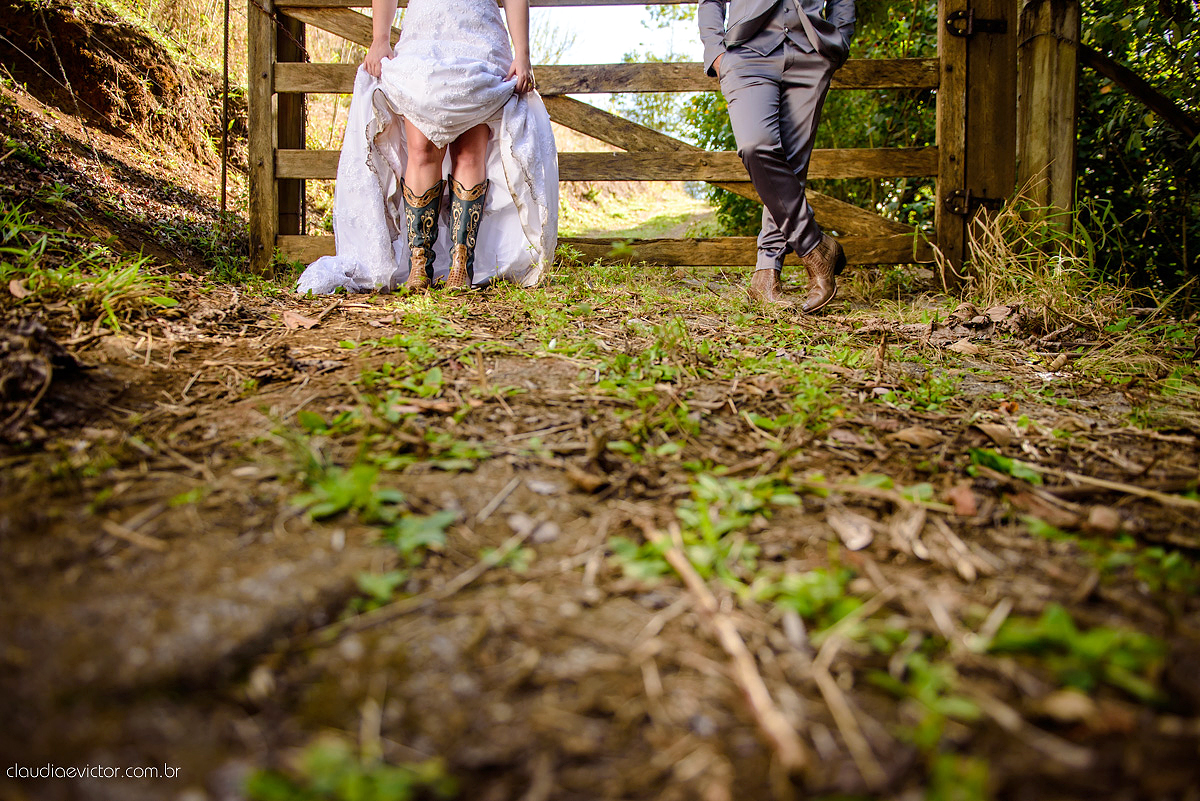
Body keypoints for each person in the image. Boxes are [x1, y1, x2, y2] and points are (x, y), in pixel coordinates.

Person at [297, 0, 558, 295]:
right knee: (422, 149)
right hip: (424, 37)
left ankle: (462, 264)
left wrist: (522, 53)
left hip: (480, 36)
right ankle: (420, 263)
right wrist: (380, 38)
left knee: (470, 152)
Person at [699, 0, 855, 311]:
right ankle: (815, 247)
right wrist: (716, 50)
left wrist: (839, 40)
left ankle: (766, 275)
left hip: (811, 51)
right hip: (745, 51)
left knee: (791, 170)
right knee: (756, 147)